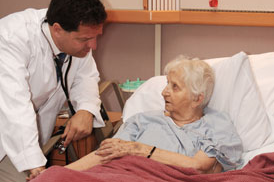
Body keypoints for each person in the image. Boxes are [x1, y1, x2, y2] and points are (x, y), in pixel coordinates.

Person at [0, 0, 107, 182]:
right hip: (9, 129)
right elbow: (15, 107)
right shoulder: (10, 38)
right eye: (85, 39)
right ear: (57, 29)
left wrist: (86, 109)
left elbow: (86, 76)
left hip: (25, 139)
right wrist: (35, 166)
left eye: (95, 37)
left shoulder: (76, 38)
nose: (93, 46)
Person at [64, 56, 243, 174]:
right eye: (167, 84)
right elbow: (105, 153)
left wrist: (140, 149)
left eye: (175, 87)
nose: (164, 92)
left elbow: (197, 166)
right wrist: (60, 173)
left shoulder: (217, 125)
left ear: (197, 99)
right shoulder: (143, 121)